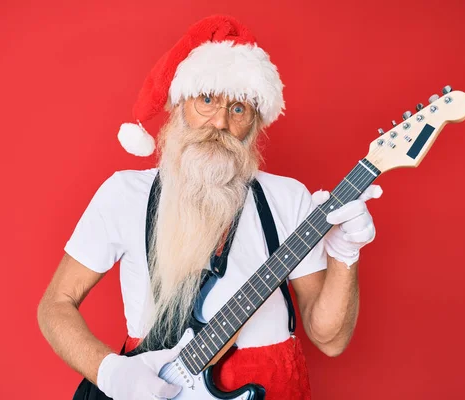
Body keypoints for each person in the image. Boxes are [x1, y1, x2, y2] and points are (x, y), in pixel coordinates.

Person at [37, 14, 382, 400]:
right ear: (180, 103)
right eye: (207, 99)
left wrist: (344, 255)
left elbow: (330, 340)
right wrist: (110, 372)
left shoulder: (288, 199)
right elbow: (55, 305)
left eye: (238, 109)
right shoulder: (123, 195)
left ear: (253, 124)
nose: (219, 121)